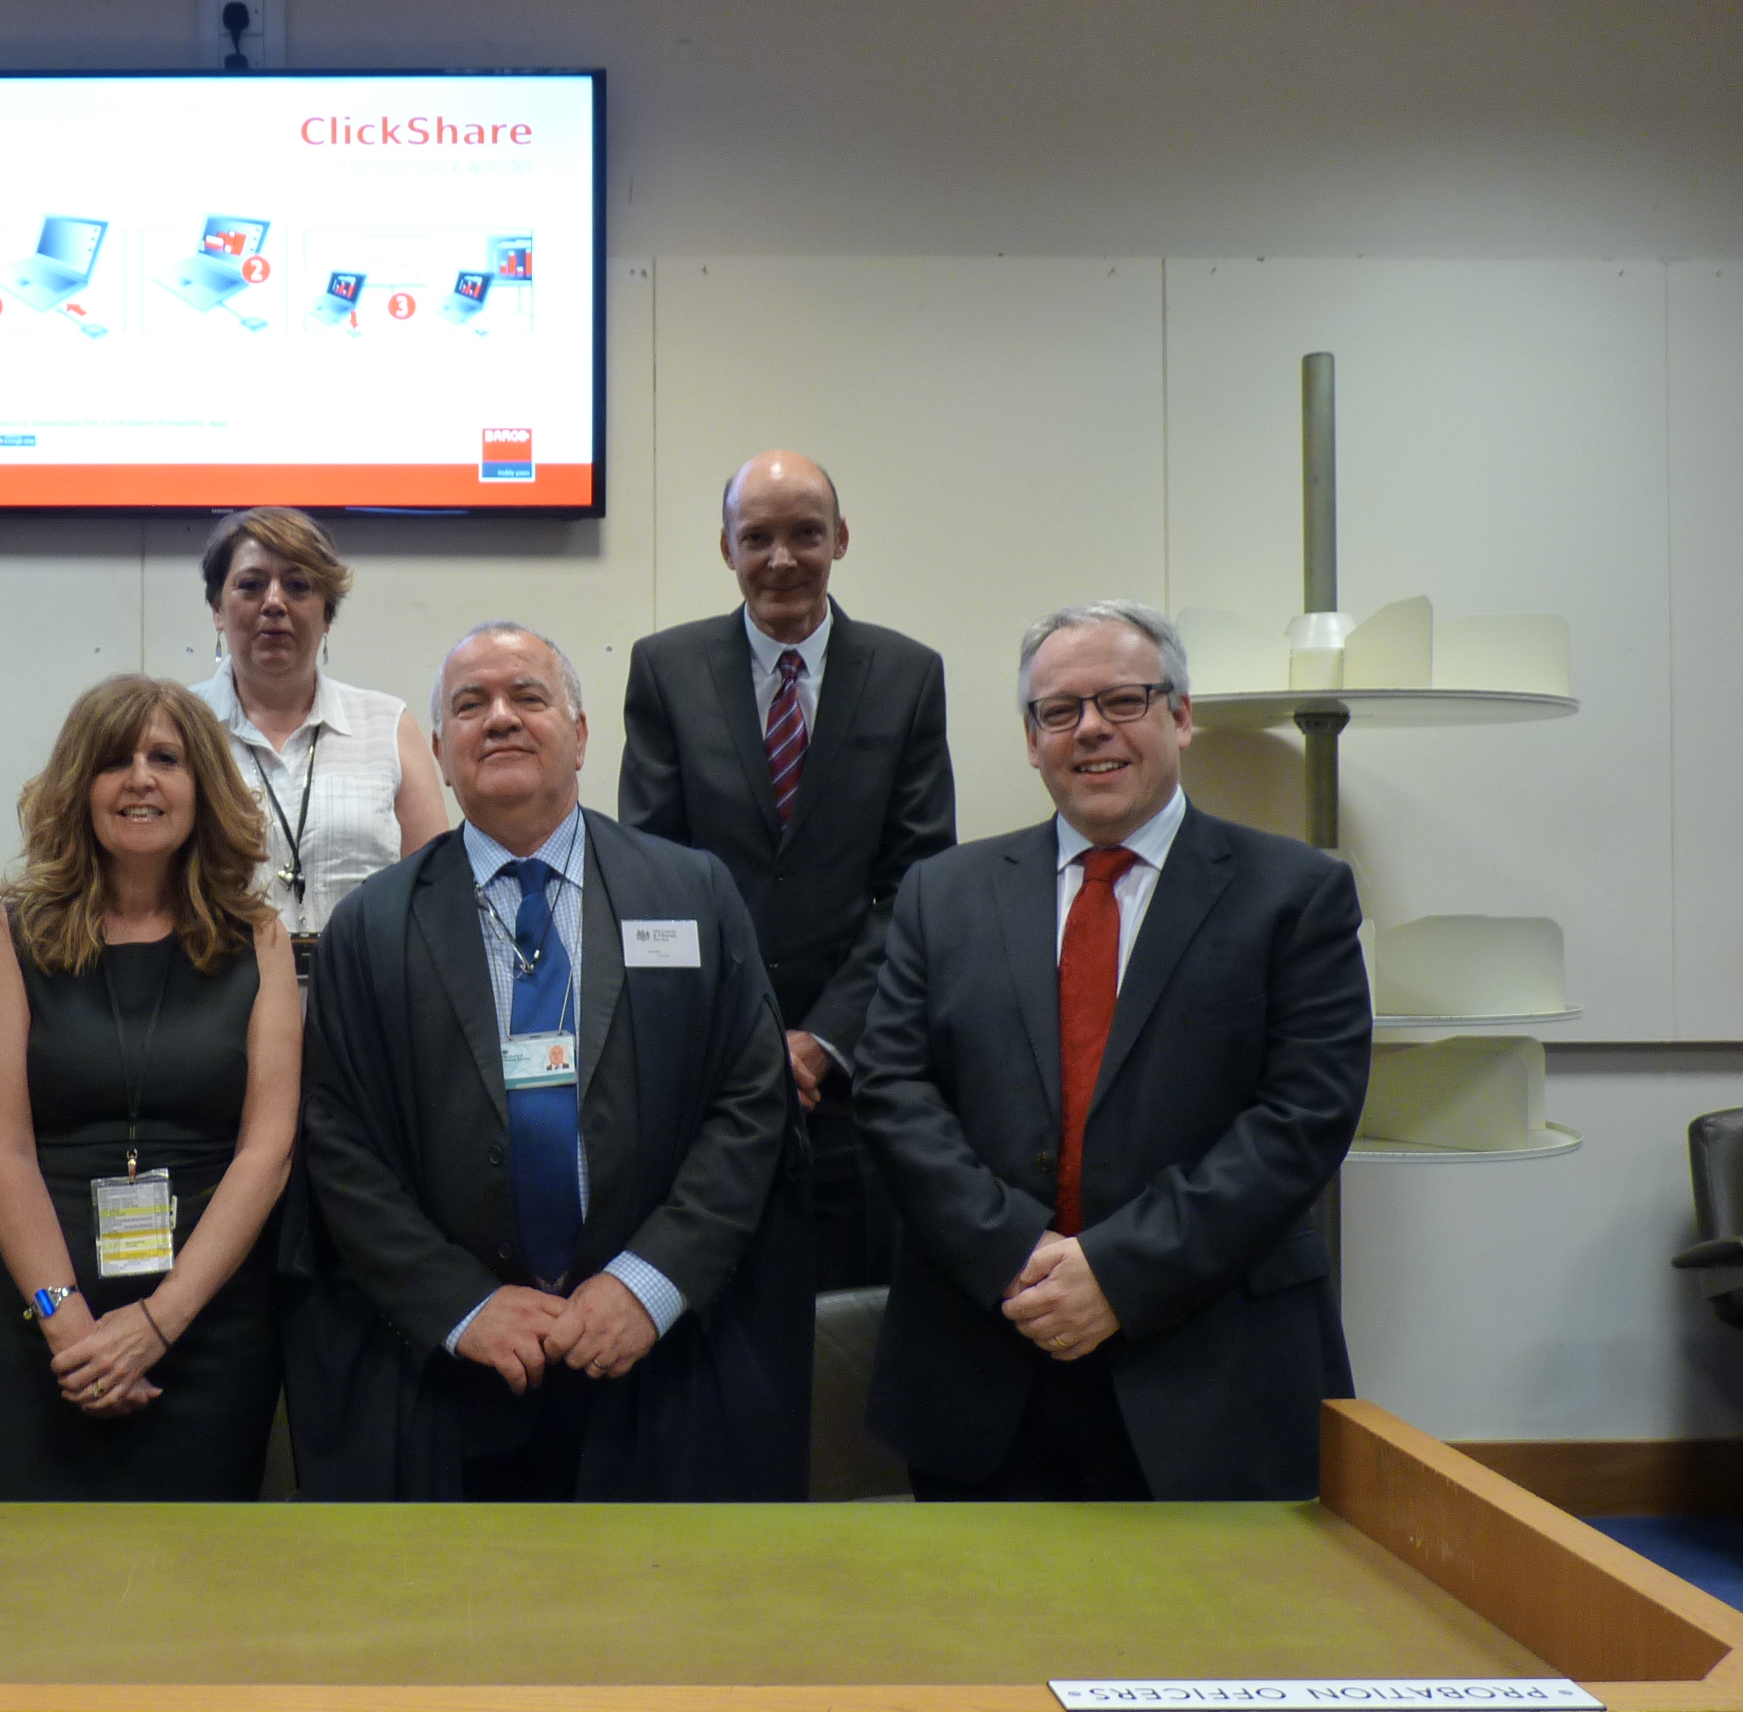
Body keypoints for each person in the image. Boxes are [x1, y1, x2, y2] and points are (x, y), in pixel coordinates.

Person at [854, 600, 1370, 1501]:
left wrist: (1119, 1272)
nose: (1091, 730)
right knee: (982, 1636)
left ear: (1180, 715)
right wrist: (1019, 1254)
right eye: (1060, 710)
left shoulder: (1297, 894)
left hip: (1212, 1362)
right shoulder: (943, 894)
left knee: (1219, 1637)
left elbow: (1302, 1117)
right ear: (1030, 738)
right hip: (987, 1356)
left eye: (1123, 701)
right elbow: (894, 1093)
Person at [297, 621, 809, 1500]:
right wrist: (462, 1305)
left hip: (664, 1363)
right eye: (470, 705)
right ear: (439, 753)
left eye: (528, 697)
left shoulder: (691, 894)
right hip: (452, 1382)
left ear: (579, 735)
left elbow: (752, 1102)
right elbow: (340, 1145)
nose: (499, 719)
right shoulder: (370, 930)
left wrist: (646, 1285)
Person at [620, 450, 955, 1291]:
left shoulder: (908, 674)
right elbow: (651, 873)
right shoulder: (666, 668)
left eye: (805, 534)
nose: (781, 559)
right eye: (756, 537)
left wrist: (819, 1043)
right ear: (725, 548)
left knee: (842, 1334)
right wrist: (750, 1044)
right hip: (709, 1066)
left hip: (853, 1073)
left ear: (839, 539)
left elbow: (917, 883)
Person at [0, 675, 300, 1499]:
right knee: (32, 1598)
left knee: (198, 1598)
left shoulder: (257, 936)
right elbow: (0, 1149)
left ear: (202, 786)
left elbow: (267, 1149)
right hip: (45, 1327)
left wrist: (159, 1321)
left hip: (207, 1326)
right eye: (114, 760)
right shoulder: (12, 932)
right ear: (80, 785)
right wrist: (68, 1320)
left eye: (165, 758)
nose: (140, 779)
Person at [188, 506, 446, 947]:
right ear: (217, 608)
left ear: (327, 615)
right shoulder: (177, 729)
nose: (274, 602)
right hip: (216, 996)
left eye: (298, 586)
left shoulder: (388, 727)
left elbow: (438, 896)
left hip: (366, 1001)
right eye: (251, 585)